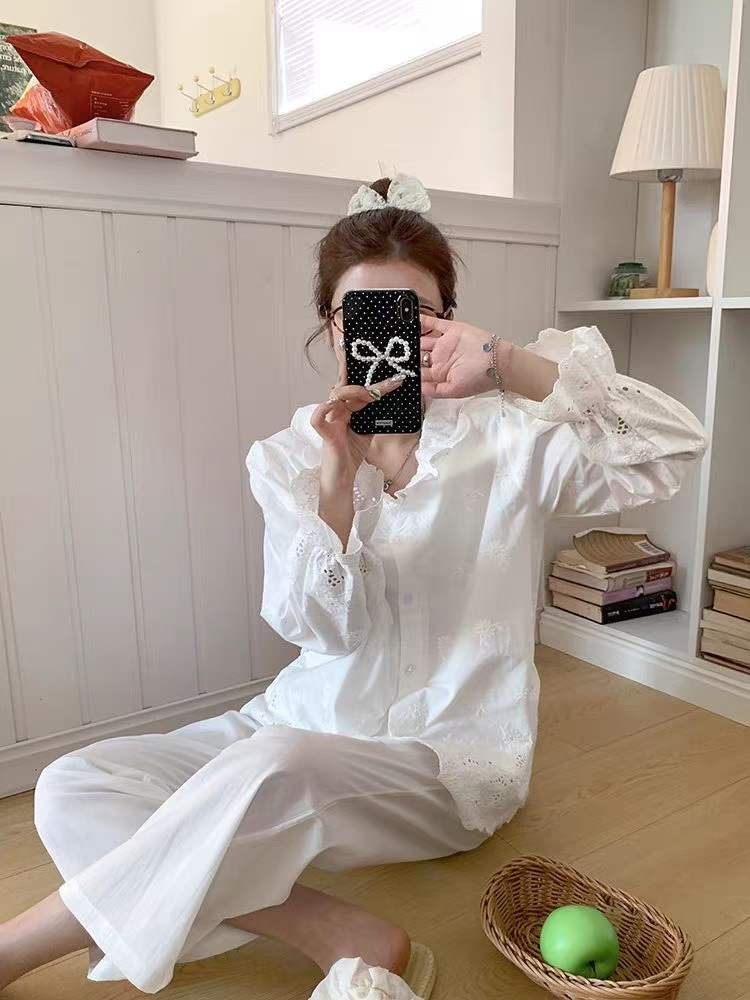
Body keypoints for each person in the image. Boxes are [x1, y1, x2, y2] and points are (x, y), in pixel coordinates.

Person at [1, 174, 708, 1000]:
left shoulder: (514, 439)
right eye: (359, 316)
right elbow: (322, 635)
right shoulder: (291, 457)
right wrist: (338, 488)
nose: (386, 336)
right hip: (299, 723)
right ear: (331, 327)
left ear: (448, 319)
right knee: (74, 784)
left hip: (441, 761)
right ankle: (329, 930)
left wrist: (508, 364)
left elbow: (675, 447)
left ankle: (16, 946)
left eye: (416, 315)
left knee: (275, 767)